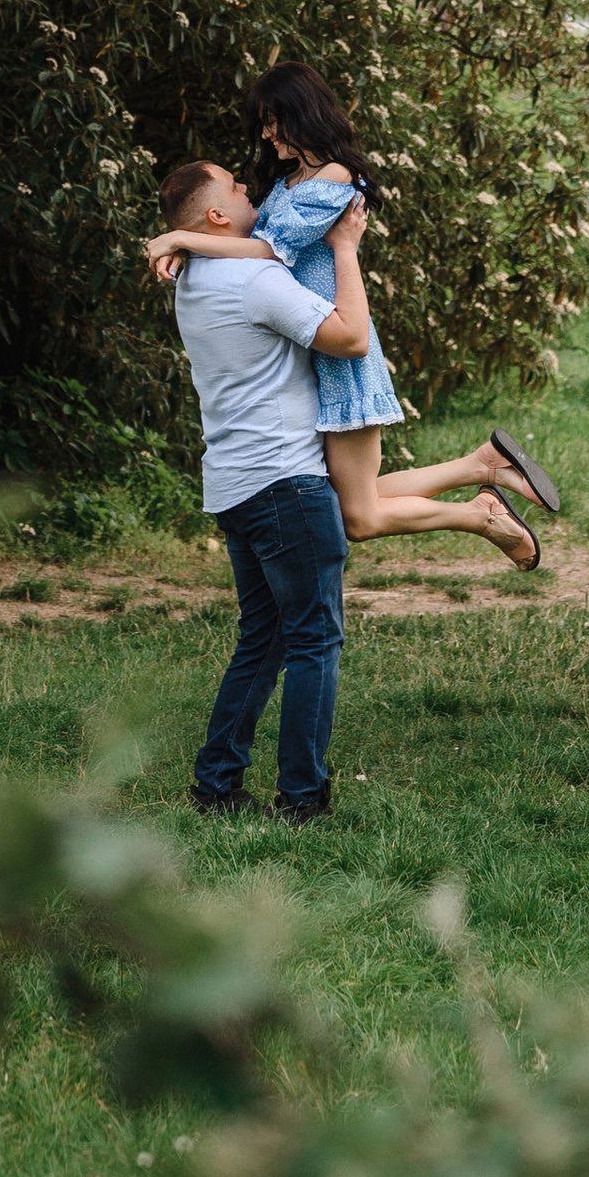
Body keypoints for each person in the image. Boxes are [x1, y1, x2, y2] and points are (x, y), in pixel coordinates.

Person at [149, 61, 559, 565]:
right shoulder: (289, 181)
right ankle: (484, 469)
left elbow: (272, 251)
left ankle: (482, 512)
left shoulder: (336, 177)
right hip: (311, 348)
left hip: (340, 354)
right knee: (350, 503)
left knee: (358, 518)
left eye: (271, 121)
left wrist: (181, 237)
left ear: (300, 113)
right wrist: (188, 243)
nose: (266, 134)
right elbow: (243, 239)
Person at [155, 152, 366, 823]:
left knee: (264, 638)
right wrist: (345, 249)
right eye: (236, 185)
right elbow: (351, 339)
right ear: (218, 214)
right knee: (313, 640)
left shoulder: (195, 277)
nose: (250, 186)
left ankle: (216, 784)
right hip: (285, 483)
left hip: (235, 485)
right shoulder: (254, 278)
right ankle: (302, 798)